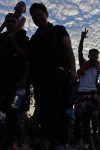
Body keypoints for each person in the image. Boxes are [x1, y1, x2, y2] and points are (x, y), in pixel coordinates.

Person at [29, 3, 77, 150]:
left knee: (60, 109)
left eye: (40, 14)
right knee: (43, 110)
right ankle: (48, 140)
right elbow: (29, 60)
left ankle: (62, 142)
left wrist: (73, 71)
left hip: (59, 75)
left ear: (46, 14)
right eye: (34, 17)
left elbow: (68, 49)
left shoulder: (59, 30)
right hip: (39, 80)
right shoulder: (34, 38)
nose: (38, 18)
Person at [0, 13, 29, 149]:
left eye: (13, 21)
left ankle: (12, 141)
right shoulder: (1, 38)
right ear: (5, 23)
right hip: (2, 82)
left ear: (18, 23)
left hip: (18, 84)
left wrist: (13, 40)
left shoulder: (23, 37)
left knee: (14, 111)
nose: (11, 23)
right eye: (8, 21)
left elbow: (26, 56)